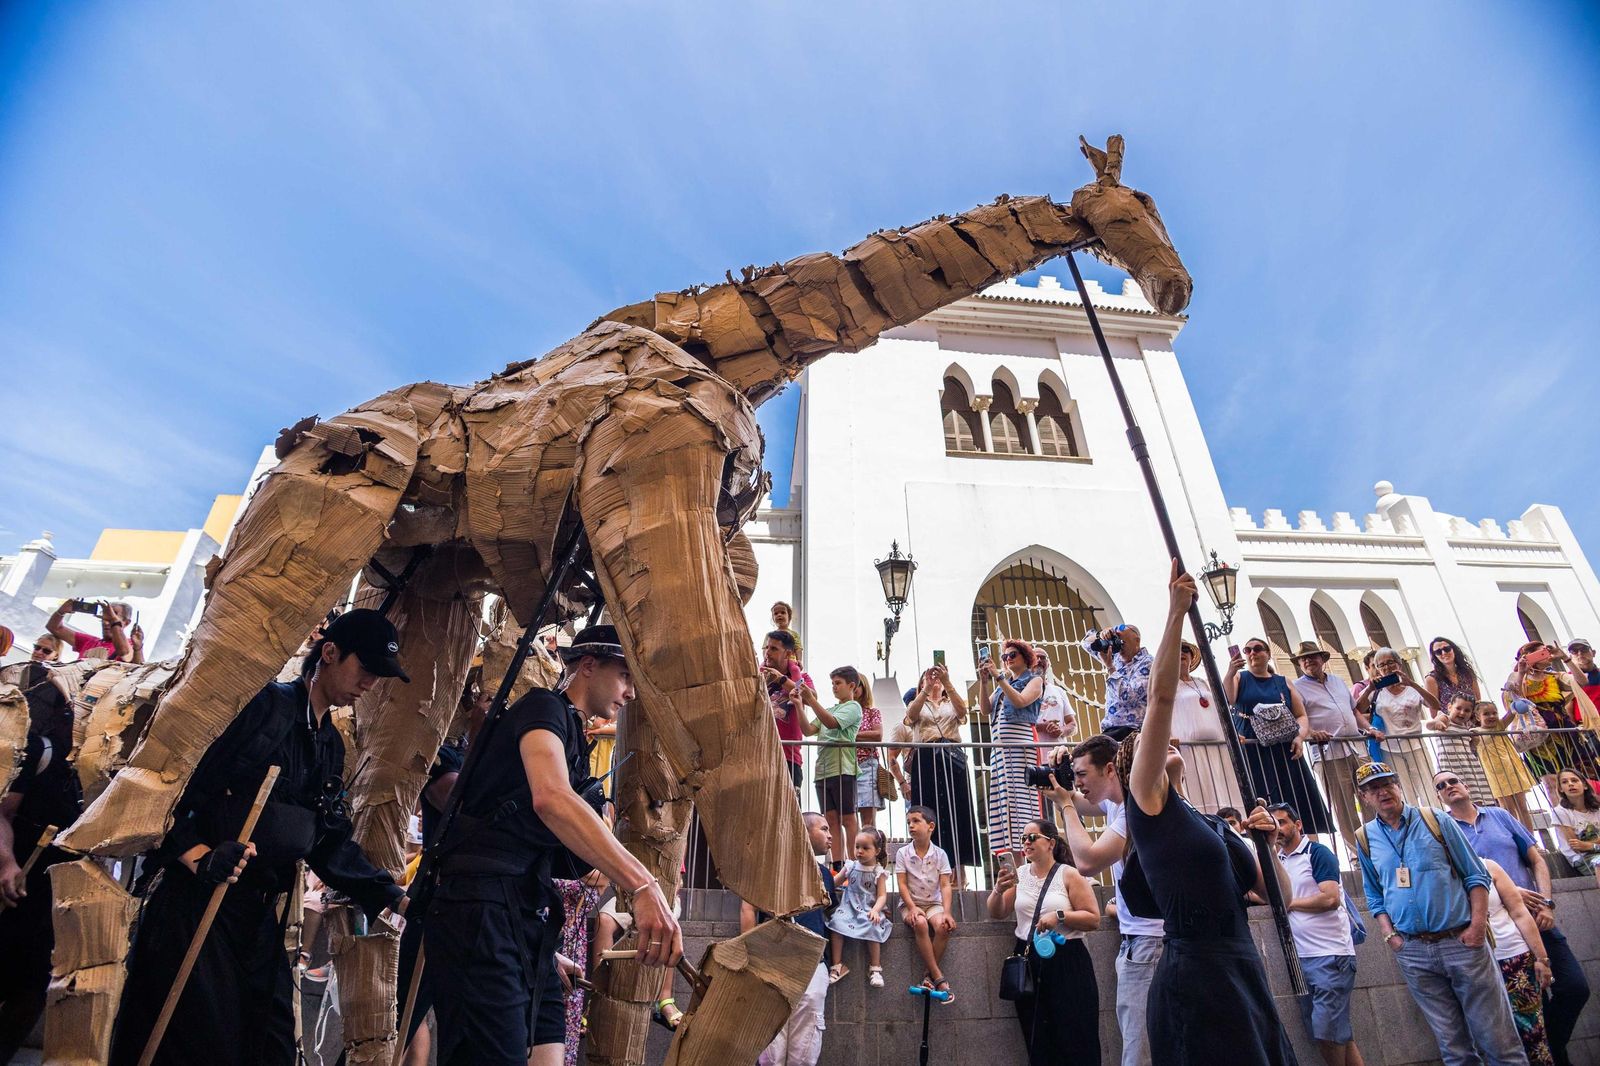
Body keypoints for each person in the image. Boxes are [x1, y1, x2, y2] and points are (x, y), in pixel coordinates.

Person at [109, 609, 411, 1066]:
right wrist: (199, 856)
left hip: (259, 915)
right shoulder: (262, 708)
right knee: (199, 1046)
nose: (369, 683)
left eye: (378, 674)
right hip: (200, 903)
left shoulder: (329, 743)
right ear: (330, 652)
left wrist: (396, 897)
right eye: (365, 667)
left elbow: (327, 842)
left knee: (269, 1044)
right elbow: (170, 788)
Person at [422, 624, 681, 1066]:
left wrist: (541, 951)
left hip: (525, 923)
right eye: (625, 676)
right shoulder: (544, 707)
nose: (631, 693)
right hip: (480, 912)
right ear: (587, 666)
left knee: (550, 1049)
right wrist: (642, 885)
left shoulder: (575, 738)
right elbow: (551, 798)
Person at [1121, 563, 1297, 1064]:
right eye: (1153, 746)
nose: (1169, 741)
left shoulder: (1214, 823)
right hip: (1196, 977)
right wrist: (1176, 611)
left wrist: (1269, 847)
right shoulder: (1150, 808)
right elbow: (1160, 698)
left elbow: (1279, 897)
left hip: (1243, 969)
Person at [1353, 760, 1524, 1065]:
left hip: (1461, 942)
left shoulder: (1434, 820)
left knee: (1498, 1042)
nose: (1382, 792)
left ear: (1398, 786)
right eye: (1373, 788)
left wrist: (1477, 927)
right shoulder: (1365, 837)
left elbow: (1476, 875)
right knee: (1453, 1049)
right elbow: (1374, 894)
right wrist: (1390, 935)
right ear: (1364, 797)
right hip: (1413, 951)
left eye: (1387, 784)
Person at [1436, 768, 1589, 1066]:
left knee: (1574, 987)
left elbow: (1536, 860)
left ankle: (1550, 1050)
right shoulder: (1446, 832)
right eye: (1441, 786)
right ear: (1439, 796)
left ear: (1466, 785)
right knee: (1533, 1004)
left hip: (1536, 916)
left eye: (1453, 781)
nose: (1449, 786)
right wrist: (1507, 889)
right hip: (1500, 928)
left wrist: (1546, 902)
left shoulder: (1499, 816)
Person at [1048, 732, 1167, 1066]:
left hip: (1149, 942)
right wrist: (1059, 778)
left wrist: (1065, 805)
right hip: (1140, 940)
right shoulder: (1114, 802)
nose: (1079, 783)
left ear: (1111, 770)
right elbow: (1078, 799)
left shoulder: (1133, 810)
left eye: (1083, 774)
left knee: (1138, 1049)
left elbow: (1087, 861)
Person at [0, 654, 80, 1063]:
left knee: (32, 986)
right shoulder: (37, 747)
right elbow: (3, 813)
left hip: (56, 893)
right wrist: (6, 862)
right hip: (17, 878)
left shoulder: (103, 768)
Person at [985, 818, 1100, 1065]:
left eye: (1032, 837)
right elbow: (998, 911)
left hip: (1066, 957)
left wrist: (1060, 916)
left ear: (1051, 843)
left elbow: (1093, 918)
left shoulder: (1069, 874)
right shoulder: (1019, 875)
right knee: (1037, 1034)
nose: (1026, 843)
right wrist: (997, 890)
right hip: (1029, 959)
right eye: (1023, 838)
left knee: (1075, 1033)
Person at [1271, 804, 1363, 1066]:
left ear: (1298, 825)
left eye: (1282, 822)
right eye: (1273, 825)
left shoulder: (1318, 852)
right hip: (1301, 958)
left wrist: (1288, 903)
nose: (1278, 829)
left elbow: (1330, 898)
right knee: (1338, 1033)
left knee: (1326, 1033)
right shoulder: (1278, 860)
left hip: (1331, 955)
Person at [1225, 637, 1334, 835]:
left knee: (1298, 802)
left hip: (1285, 750)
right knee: (1261, 804)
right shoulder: (1240, 677)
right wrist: (1231, 671)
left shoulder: (1283, 682)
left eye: (1257, 648)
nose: (1252, 653)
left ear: (1268, 654)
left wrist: (1299, 737)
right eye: (1247, 650)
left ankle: (1307, 846)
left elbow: (1301, 715)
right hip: (1254, 753)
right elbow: (1228, 698)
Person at [757, 812, 837, 1066]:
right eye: (824, 829)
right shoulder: (772, 868)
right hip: (773, 960)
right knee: (771, 1041)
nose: (830, 835)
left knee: (807, 1039)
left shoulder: (825, 874)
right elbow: (749, 910)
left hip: (813, 963)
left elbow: (831, 915)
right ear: (804, 832)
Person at [1289, 641, 1378, 851]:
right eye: (1303, 659)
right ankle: (1358, 854)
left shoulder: (1337, 681)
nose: (1308, 661)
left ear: (1322, 659)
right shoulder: (1296, 687)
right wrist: (1312, 733)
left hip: (1356, 748)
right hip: (1328, 754)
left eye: (1312, 656)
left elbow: (1354, 711)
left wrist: (1369, 728)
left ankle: (1377, 846)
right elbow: (1296, 718)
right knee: (1344, 808)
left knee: (1371, 798)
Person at [903, 664, 980, 873]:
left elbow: (962, 713)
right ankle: (930, 869)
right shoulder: (918, 702)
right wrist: (926, 689)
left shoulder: (951, 700)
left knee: (957, 808)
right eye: (929, 677)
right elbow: (911, 716)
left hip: (951, 757)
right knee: (927, 809)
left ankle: (959, 871)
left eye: (939, 677)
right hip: (926, 758)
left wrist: (947, 682)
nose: (935, 679)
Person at [1481, 857, 1555, 1065]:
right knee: (1495, 1040)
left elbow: (1520, 912)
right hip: (1475, 966)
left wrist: (1542, 959)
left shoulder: (1489, 866)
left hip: (1514, 959)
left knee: (1533, 1035)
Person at [793, 666, 865, 865]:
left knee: (848, 818)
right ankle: (838, 863)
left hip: (843, 768)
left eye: (838, 683)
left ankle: (855, 862)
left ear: (851, 685)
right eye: (833, 683)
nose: (834, 687)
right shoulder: (830, 709)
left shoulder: (853, 707)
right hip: (823, 770)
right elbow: (808, 730)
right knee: (831, 819)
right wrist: (799, 705)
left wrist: (811, 700)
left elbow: (832, 723)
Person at [980, 639, 1044, 863]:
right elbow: (985, 709)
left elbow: (1020, 701)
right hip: (1000, 754)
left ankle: (1030, 863)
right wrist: (984, 682)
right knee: (1004, 808)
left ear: (1026, 657)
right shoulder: (1003, 684)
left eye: (1012, 654)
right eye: (1005, 656)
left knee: (1021, 806)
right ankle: (1015, 866)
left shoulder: (1034, 680)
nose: (1008, 659)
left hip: (1019, 750)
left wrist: (998, 677)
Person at [1353, 648, 1438, 804]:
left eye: (1390, 662)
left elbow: (1435, 705)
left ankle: (1432, 816)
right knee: (1402, 790)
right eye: (1381, 665)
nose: (1387, 667)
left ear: (1399, 663)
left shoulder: (1412, 688)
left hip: (1416, 745)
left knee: (1427, 787)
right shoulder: (1375, 691)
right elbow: (1357, 710)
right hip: (1390, 748)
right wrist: (1370, 689)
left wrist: (1412, 684)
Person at [1503, 641, 1584, 803]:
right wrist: (1521, 672)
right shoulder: (1517, 677)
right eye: (1541, 652)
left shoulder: (1555, 676)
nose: (1547, 654)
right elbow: (1515, 699)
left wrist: (1565, 658)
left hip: (1564, 733)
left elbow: (1582, 681)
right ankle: (1561, 815)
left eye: (1547, 651)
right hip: (1537, 736)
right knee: (1551, 781)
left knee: (1574, 777)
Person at [1167, 639, 1240, 814]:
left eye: (1186, 650)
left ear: (1191, 656)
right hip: (1187, 748)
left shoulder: (1202, 683)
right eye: (1177, 649)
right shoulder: (1167, 685)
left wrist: (1231, 734)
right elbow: (1162, 713)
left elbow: (1224, 705)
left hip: (1217, 747)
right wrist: (1168, 737)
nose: (1182, 653)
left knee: (1224, 788)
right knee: (1199, 790)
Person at [894, 806, 956, 1002]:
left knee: (943, 927)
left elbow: (945, 885)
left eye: (916, 821)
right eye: (908, 822)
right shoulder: (903, 853)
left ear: (931, 826)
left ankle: (928, 976)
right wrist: (912, 907)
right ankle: (938, 977)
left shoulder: (940, 854)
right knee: (920, 923)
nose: (911, 826)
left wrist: (947, 912)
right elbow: (902, 884)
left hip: (933, 904)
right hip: (910, 904)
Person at [825, 828, 891, 988]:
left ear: (877, 851)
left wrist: (875, 910)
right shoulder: (850, 866)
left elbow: (882, 896)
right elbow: (834, 883)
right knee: (836, 923)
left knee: (873, 925)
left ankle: (875, 968)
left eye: (865, 848)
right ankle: (837, 966)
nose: (859, 851)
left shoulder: (878, 872)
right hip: (848, 907)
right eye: (857, 847)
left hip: (868, 908)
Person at [1473, 699, 1538, 830]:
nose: (1492, 716)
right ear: (1477, 717)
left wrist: (1515, 703)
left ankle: (1530, 838)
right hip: (1496, 775)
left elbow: (1511, 713)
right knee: (1507, 810)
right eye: (1486, 714)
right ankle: (1515, 838)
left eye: (1494, 713)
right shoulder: (1475, 732)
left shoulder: (1499, 726)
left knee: (1523, 808)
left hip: (1513, 770)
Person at [761, 630, 813, 793]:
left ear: (788, 654)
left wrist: (781, 679)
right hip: (759, 754)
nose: (768, 653)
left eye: (774, 649)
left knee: (790, 808)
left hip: (789, 757)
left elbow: (811, 698)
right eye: (767, 648)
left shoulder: (802, 677)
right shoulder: (757, 676)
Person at [1424, 694, 1493, 809]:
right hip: (1451, 765)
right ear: (1450, 707)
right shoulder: (1445, 719)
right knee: (1455, 795)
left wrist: (1474, 740)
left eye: (1467, 710)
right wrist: (1437, 723)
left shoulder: (1466, 726)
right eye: (1458, 708)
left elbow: (1470, 747)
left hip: (1468, 765)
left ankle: (1478, 814)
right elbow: (1428, 725)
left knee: (1475, 795)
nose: (1462, 713)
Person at [1098, 624, 1152, 740]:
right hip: (1110, 730)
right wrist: (1102, 635)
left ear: (1137, 641)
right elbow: (1086, 643)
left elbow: (1127, 696)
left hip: (1131, 731)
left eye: (1122, 642)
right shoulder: (1116, 658)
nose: (1119, 647)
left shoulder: (1147, 663)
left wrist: (1110, 668)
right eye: (1116, 642)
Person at [1550, 767, 1600, 884]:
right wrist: (1593, 845)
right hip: (1582, 858)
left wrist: (1589, 845)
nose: (1570, 784)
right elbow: (1577, 847)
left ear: (1585, 785)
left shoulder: (1597, 809)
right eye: (1565, 782)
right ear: (1561, 789)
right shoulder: (1560, 812)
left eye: (1574, 780)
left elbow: (1584, 845)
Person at [46, 597, 132, 662]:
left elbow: (124, 652)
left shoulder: (132, 645)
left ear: (126, 623)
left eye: (113, 615)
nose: (106, 622)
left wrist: (114, 621)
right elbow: (54, 627)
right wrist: (61, 611)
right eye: (105, 615)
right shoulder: (89, 641)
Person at [1033, 651, 1077, 759]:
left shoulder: (1059, 691)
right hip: (1032, 757)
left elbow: (1073, 725)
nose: (1039, 660)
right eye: (1035, 657)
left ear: (1048, 663)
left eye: (1043, 657)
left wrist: (1061, 730)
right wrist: (1042, 727)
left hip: (1058, 757)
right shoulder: (1022, 691)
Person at [853, 685, 885, 829]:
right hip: (846, 765)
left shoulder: (872, 712)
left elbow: (877, 735)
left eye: (856, 684)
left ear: (863, 687)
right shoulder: (841, 712)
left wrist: (849, 736)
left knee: (868, 821)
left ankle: (870, 843)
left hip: (866, 764)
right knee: (849, 819)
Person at [1426, 637, 1482, 709]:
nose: (1444, 653)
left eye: (1446, 649)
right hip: (1448, 716)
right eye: (1438, 652)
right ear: (1435, 656)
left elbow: (1478, 701)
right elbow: (1434, 709)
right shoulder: (1432, 679)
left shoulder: (1467, 672)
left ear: (1454, 650)